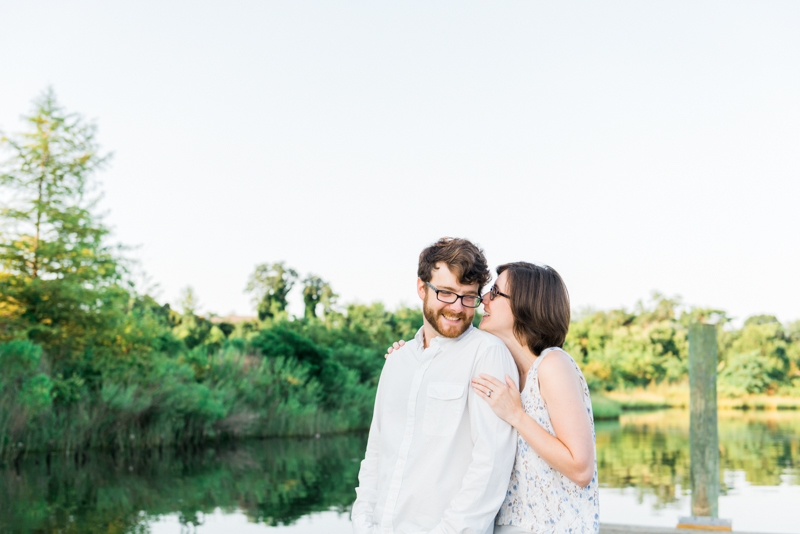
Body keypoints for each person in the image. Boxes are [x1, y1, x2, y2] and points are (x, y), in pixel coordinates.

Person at [387, 262, 599, 534]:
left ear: (526, 304)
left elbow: (581, 469)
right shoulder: (503, 367)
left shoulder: (553, 364)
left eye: (495, 293)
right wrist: (410, 357)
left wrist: (517, 416)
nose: (482, 299)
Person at [352, 237, 519, 534]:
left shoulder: (487, 354)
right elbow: (376, 453)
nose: (457, 308)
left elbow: (490, 466)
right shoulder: (397, 361)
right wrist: (362, 524)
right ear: (421, 288)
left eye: (469, 296)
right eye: (446, 293)